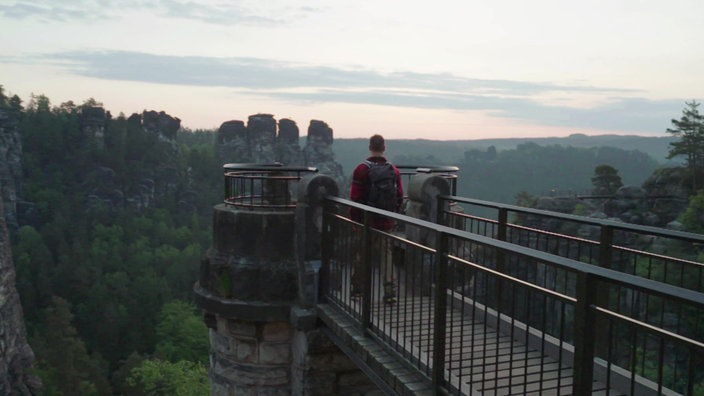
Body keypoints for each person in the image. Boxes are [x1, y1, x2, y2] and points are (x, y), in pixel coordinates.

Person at [349, 134, 404, 304]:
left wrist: (355, 220)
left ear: (370, 147)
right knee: (386, 257)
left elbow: (355, 198)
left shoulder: (361, 169)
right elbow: (400, 196)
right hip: (386, 221)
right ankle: (390, 293)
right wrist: (392, 216)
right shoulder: (393, 170)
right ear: (384, 148)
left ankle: (358, 291)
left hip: (366, 220)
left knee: (362, 255)